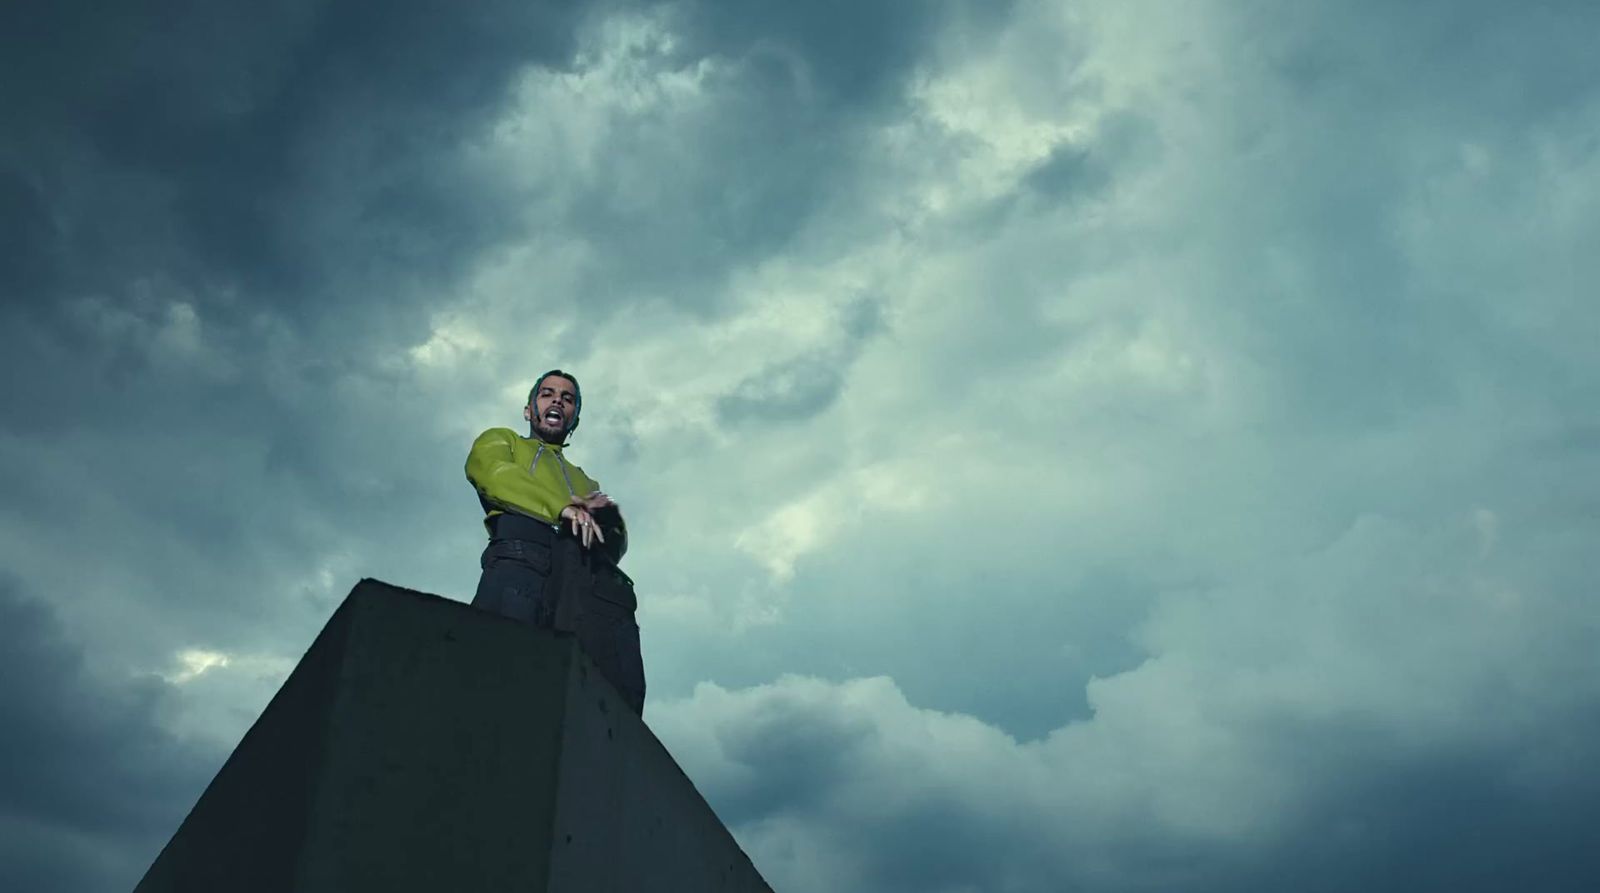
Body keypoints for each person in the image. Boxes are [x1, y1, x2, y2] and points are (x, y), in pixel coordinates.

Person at [465, 369, 645, 713]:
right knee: (499, 668)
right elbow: (493, 473)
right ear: (529, 410)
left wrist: (606, 525)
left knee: (597, 691)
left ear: (575, 416)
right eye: (547, 394)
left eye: (567, 398)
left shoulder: (585, 480)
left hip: (580, 577)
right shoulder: (503, 440)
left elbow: (613, 538)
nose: (557, 401)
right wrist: (562, 507)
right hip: (522, 558)